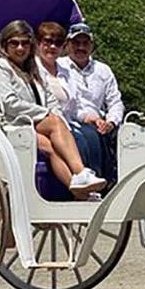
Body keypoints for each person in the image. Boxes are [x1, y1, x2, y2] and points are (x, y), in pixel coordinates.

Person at [0, 20, 106, 199]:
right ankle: (81, 173)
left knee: (50, 145)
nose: (20, 48)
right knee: (55, 124)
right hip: (8, 124)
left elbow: (49, 98)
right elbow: (8, 103)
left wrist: (54, 114)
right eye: (14, 43)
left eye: (25, 43)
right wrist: (47, 115)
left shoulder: (32, 69)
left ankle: (78, 189)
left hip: (28, 125)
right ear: (5, 45)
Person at [34, 21, 103, 177]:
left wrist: (89, 117)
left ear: (63, 46)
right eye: (47, 42)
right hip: (43, 121)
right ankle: (81, 181)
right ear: (38, 44)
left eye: (57, 43)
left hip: (67, 121)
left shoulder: (65, 71)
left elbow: (74, 106)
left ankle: (100, 180)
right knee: (79, 140)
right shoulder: (32, 69)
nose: (52, 47)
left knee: (93, 136)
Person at [59, 22, 124, 184]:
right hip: (73, 120)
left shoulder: (102, 70)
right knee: (89, 136)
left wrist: (111, 121)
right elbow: (61, 103)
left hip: (101, 122)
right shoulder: (60, 67)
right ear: (67, 45)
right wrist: (87, 117)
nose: (80, 47)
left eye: (85, 43)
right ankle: (95, 183)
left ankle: (119, 181)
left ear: (92, 46)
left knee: (127, 136)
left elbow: (115, 101)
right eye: (75, 43)